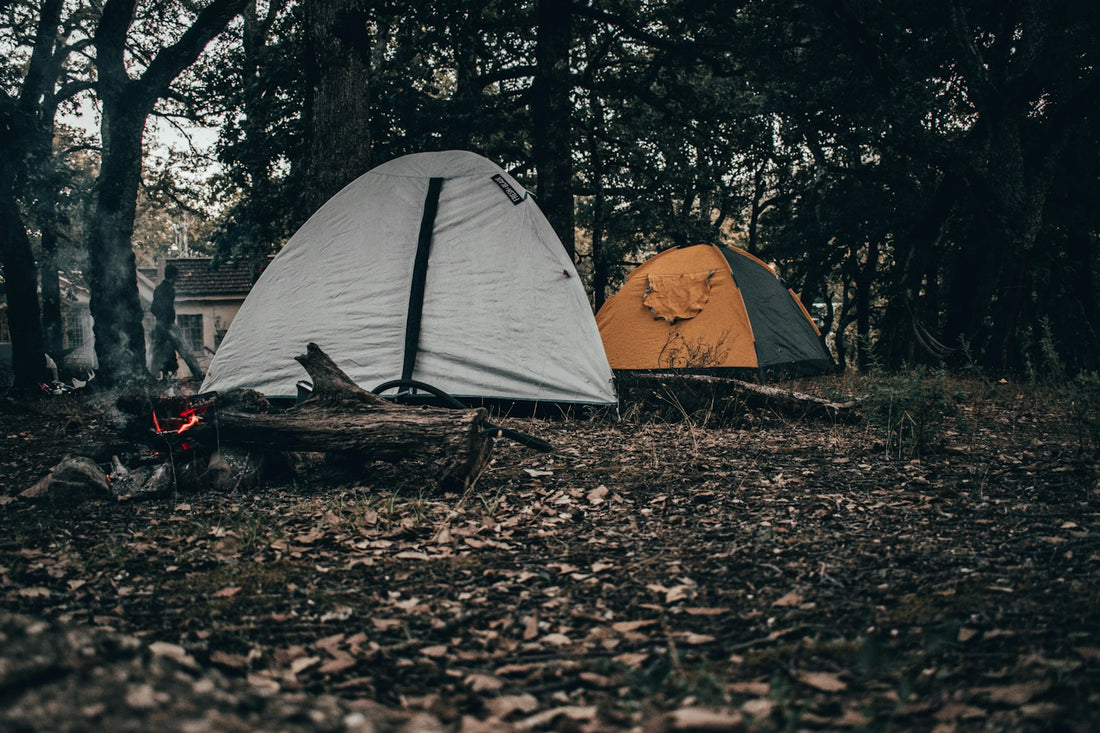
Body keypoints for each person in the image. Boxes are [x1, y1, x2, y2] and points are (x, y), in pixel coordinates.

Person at [150, 264, 179, 379]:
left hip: (160, 323)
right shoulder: (170, 290)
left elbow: (153, 308)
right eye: (177, 276)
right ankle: (197, 373)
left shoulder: (158, 289)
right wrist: (167, 324)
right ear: (173, 276)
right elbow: (167, 308)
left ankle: (153, 375)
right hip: (167, 324)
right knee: (181, 348)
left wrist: (160, 318)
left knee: (158, 351)